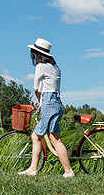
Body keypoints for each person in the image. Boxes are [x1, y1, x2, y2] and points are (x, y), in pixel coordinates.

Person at [18, 38, 74, 178]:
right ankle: (33, 168)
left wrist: (38, 101)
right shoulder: (55, 67)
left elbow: (37, 88)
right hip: (56, 102)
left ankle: (68, 171)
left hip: (49, 103)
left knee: (51, 139)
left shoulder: (41, 66)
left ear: (36, 53)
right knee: (38, 136)